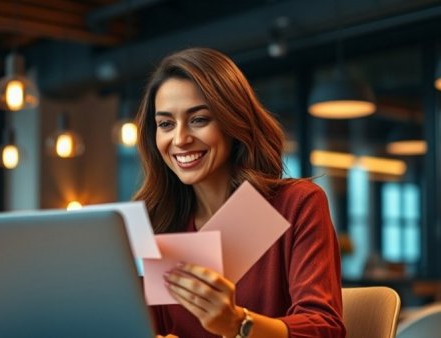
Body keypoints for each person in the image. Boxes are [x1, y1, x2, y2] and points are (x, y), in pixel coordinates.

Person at [133, 47, 345, 338]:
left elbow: (324, 328)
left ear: (233, 122)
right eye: (166, 124)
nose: (180, 139)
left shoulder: (293, 204)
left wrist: (238, 324)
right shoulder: (161, 224)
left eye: (198, 119)